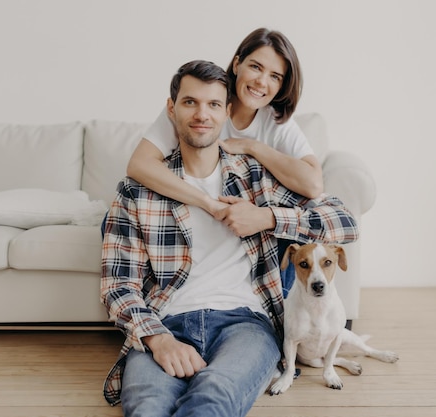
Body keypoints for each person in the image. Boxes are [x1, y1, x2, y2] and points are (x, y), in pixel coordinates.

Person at [100, 60, 358, 417]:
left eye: (214, 105)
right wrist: (157, 339)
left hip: (246, 324)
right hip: (166, 322)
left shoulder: (257, 179)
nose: (202, 114)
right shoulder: (136, 191)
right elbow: (118, 285)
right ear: (171, 109)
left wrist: (266, 216)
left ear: (227, 113)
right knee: (147, 408)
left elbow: (344, 222)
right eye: (190, 102)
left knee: (212, 400)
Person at [126, 28, 320, 295]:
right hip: (191, 210)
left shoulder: (275, 121)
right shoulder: (202, 102)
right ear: (237, 63)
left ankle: (282, 318)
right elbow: (139, 165)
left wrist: (252, 147)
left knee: (291, 231)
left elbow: (313, 185)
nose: (262, 82)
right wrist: (207, 202)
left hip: (244, 225)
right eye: (255, 67)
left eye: (275, 76)